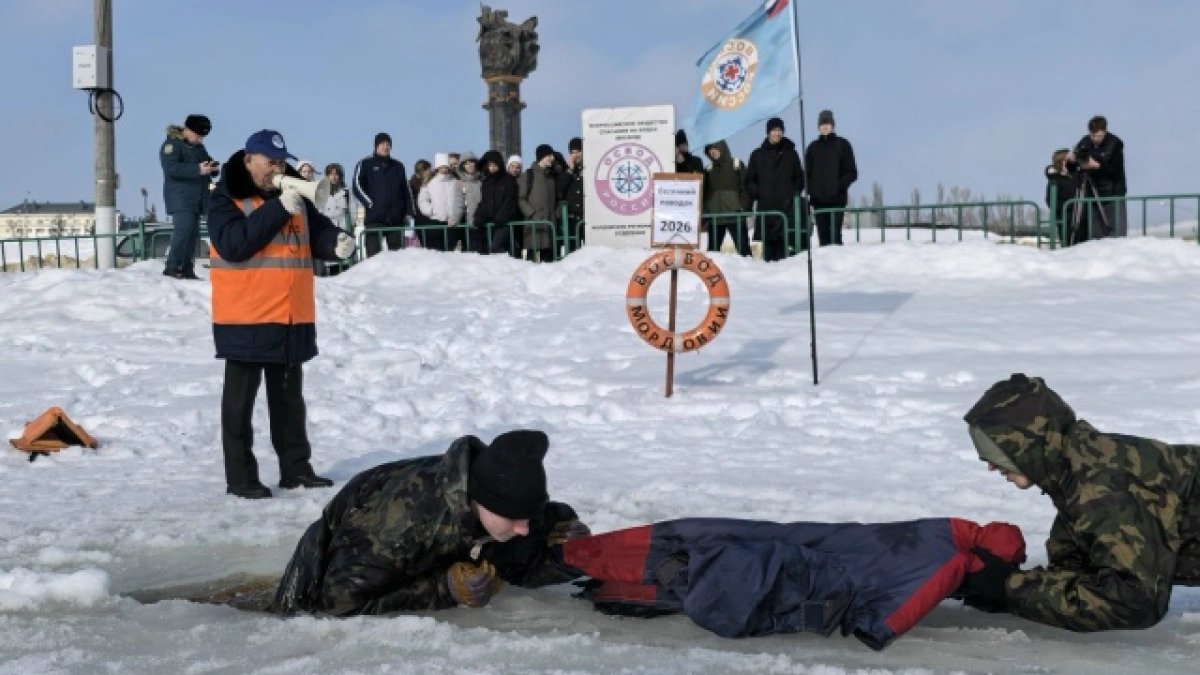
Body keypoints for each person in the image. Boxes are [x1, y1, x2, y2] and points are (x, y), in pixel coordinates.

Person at [961, 373, 1200, 632]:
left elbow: (1134, 601)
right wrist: (1000, 590)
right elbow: (1077, 566)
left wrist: (1010, 588)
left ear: (1028, 444)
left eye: (997, 452)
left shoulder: (1101, 485)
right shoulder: (1076, 469)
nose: (991, 465)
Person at [565, 516, 1025, 650]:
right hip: (806, 579)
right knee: (710, 570)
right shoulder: (953, 560)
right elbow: (879, 623)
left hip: (809, 541)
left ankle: (571, 555)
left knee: (704, 535)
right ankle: (583, 565)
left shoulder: (948, 528)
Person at [271, 430, 591, 616]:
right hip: (312, 586)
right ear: (480, 501)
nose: (524, 528)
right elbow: (338, 603)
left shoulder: (509, 509)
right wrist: (445, 588)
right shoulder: (400, 522)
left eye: (529, 517)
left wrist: (565, 555)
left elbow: (520, 565)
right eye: (515, 518)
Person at [206, 130, 357, 499]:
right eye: (268, 162)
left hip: (291, 313)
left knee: (290, 400)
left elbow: (316, 231)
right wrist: (278, 208)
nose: (275, 169)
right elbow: (234, 245)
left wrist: (334, 243)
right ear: (248, 160)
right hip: (246, 314)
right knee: (239, 405)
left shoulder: (294, 195)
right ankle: (240, 478)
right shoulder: (225, 198)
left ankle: (296, 468)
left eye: (279, 161)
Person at [161, 114, 218, 280]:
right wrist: (197, 170)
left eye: (202, 137)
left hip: (198, 197)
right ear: (188, 130)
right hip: (180, 196)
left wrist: (212, 168)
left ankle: (187, 268)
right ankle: (172, 266)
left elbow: (206, 163)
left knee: (193, 233)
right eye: (198, 135)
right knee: (184, 228)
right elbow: (171, 168)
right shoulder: (172, 145)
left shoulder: (199, 148)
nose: (200, 139)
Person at [746, 117, 805, 262]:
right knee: (768, 251)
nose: (777, 133)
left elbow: (799, 177)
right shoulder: (757, 155)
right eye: (774, 130)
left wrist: (794, 194)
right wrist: (758, 193)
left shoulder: (791, 154)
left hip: (786, 208)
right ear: (768, 133)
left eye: (779, 130)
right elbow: (749, 180)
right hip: (766, 207)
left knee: (784, 249)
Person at [352, 132, 411, 258]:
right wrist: (370, 203)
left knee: (397, 258)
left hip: (396, 220)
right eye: (382, 144)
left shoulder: (398, 166)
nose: (385, 147)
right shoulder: (365, 164)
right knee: (374, 259)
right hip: (375, 219)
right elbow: (357, 186)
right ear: (375, 146)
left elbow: (405, 190)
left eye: (388, 144)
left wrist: (408, 211)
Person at [804, 110, 858, 246]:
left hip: (837, 200)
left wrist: (839, 186)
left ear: (833, 125)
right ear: (818, 126)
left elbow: (852, 172)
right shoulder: (812, 148)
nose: (825, 126)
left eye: (827, 123)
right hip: (818, 201)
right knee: (823, 237)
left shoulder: (843, 145)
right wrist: (811, 190)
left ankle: (838, 265)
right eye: (822, 124)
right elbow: (806, 174)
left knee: (835, 237)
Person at [1068, 115, 1126, 239]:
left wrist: (1097, 166)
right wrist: (1072, 160)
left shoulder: (1115, 144)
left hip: (1112, 193)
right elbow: (1074, 165)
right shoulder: (1085, 142)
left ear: (1105, 132)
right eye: (1092, 135)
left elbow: (1116, 171)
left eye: (1098, 136)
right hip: (1090, 193)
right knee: (1095, 234)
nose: (1095, 139)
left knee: (1115, 233)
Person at [702, 140, 751, 256]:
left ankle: (749, 273)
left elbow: (746, 187)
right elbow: (705, 193)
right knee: (712, 254)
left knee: (744, 253)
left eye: (715, 148)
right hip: (716, 217)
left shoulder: (737, 164)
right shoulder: (709, 169)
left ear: (722, 148)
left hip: (735, 215)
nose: (712, 151)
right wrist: (707, 210)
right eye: (710, 149)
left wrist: (742, 207)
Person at [518, 144, 559, 262]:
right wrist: (532, 214)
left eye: (552, 156)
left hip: (549, 223)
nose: (552, 158)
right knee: (531, 261)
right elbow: (521, 198)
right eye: (549, 155)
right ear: (541, 157)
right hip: (533, 224)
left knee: (549, 261)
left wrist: (556, 214)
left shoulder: (552, 176)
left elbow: (557, 199)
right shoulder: (528, 175)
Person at [475, 150, 521, 256]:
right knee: (490, 250)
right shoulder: (486, 182)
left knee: (495, 248)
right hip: (491, 222)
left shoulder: (508, 180)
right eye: (490, 165)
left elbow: (510, 200)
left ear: (500, 165)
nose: (492, 168)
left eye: (495, 165)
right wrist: (479, 216)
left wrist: (502, 217)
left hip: (504, 223)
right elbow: (484, 202)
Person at [418, 153, 466, 252]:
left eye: (446, 166)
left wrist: (455, 217)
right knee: (435, 252)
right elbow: (422, 200)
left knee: (449, 251)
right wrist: (430, 211)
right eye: (442, 166)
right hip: (435, 222)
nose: (444, 169)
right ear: (437, 167)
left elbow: (460, 200)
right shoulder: (430, 182)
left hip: (451, 224)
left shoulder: (454, 182)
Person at [1044, 149, 1079, 246]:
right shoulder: (1054, 179)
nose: (1074, 158)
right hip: (1065, 218)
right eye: (1070, 157)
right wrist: (1071, 205)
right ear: (1063, 160)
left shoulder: (1077, 174)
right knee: (1068, 244)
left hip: (1081, 216)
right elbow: (1051, 201)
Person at [559, 137, 585, 252]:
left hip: (587, 219)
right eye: (572, 152)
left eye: (578, 152)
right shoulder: (566, 171)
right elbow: (560, 188)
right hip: (572, 220)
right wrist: (569, 170)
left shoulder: (590, 169)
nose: (575, 155)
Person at [457, 151, 485, 252]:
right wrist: (455, 218)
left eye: (471, 162)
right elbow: (458, 204)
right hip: (470, 223)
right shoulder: (461, 183)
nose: (469, 165)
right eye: (466, 163)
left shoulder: (483, 180)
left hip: (485, 222)